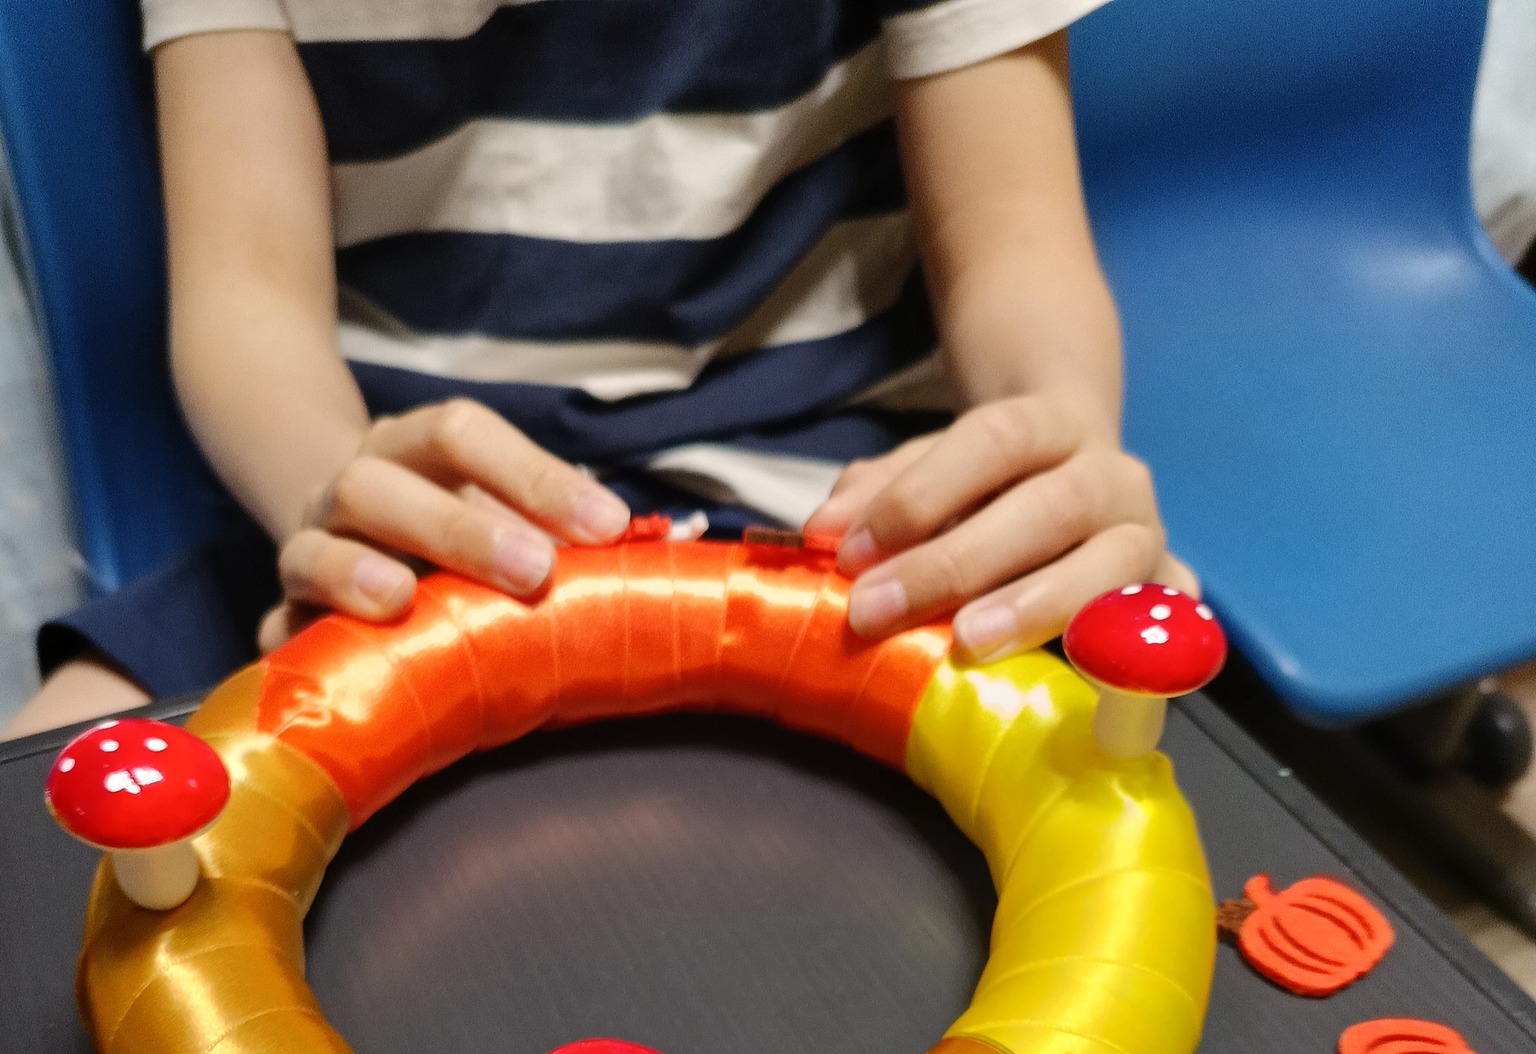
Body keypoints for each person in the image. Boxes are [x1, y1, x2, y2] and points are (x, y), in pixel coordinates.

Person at [5, 0, 1189, 740]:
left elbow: (1016, 246)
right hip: (400, 497)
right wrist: (337, 495)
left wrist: (1052, 437)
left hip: (829, 507)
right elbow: (246, 294)